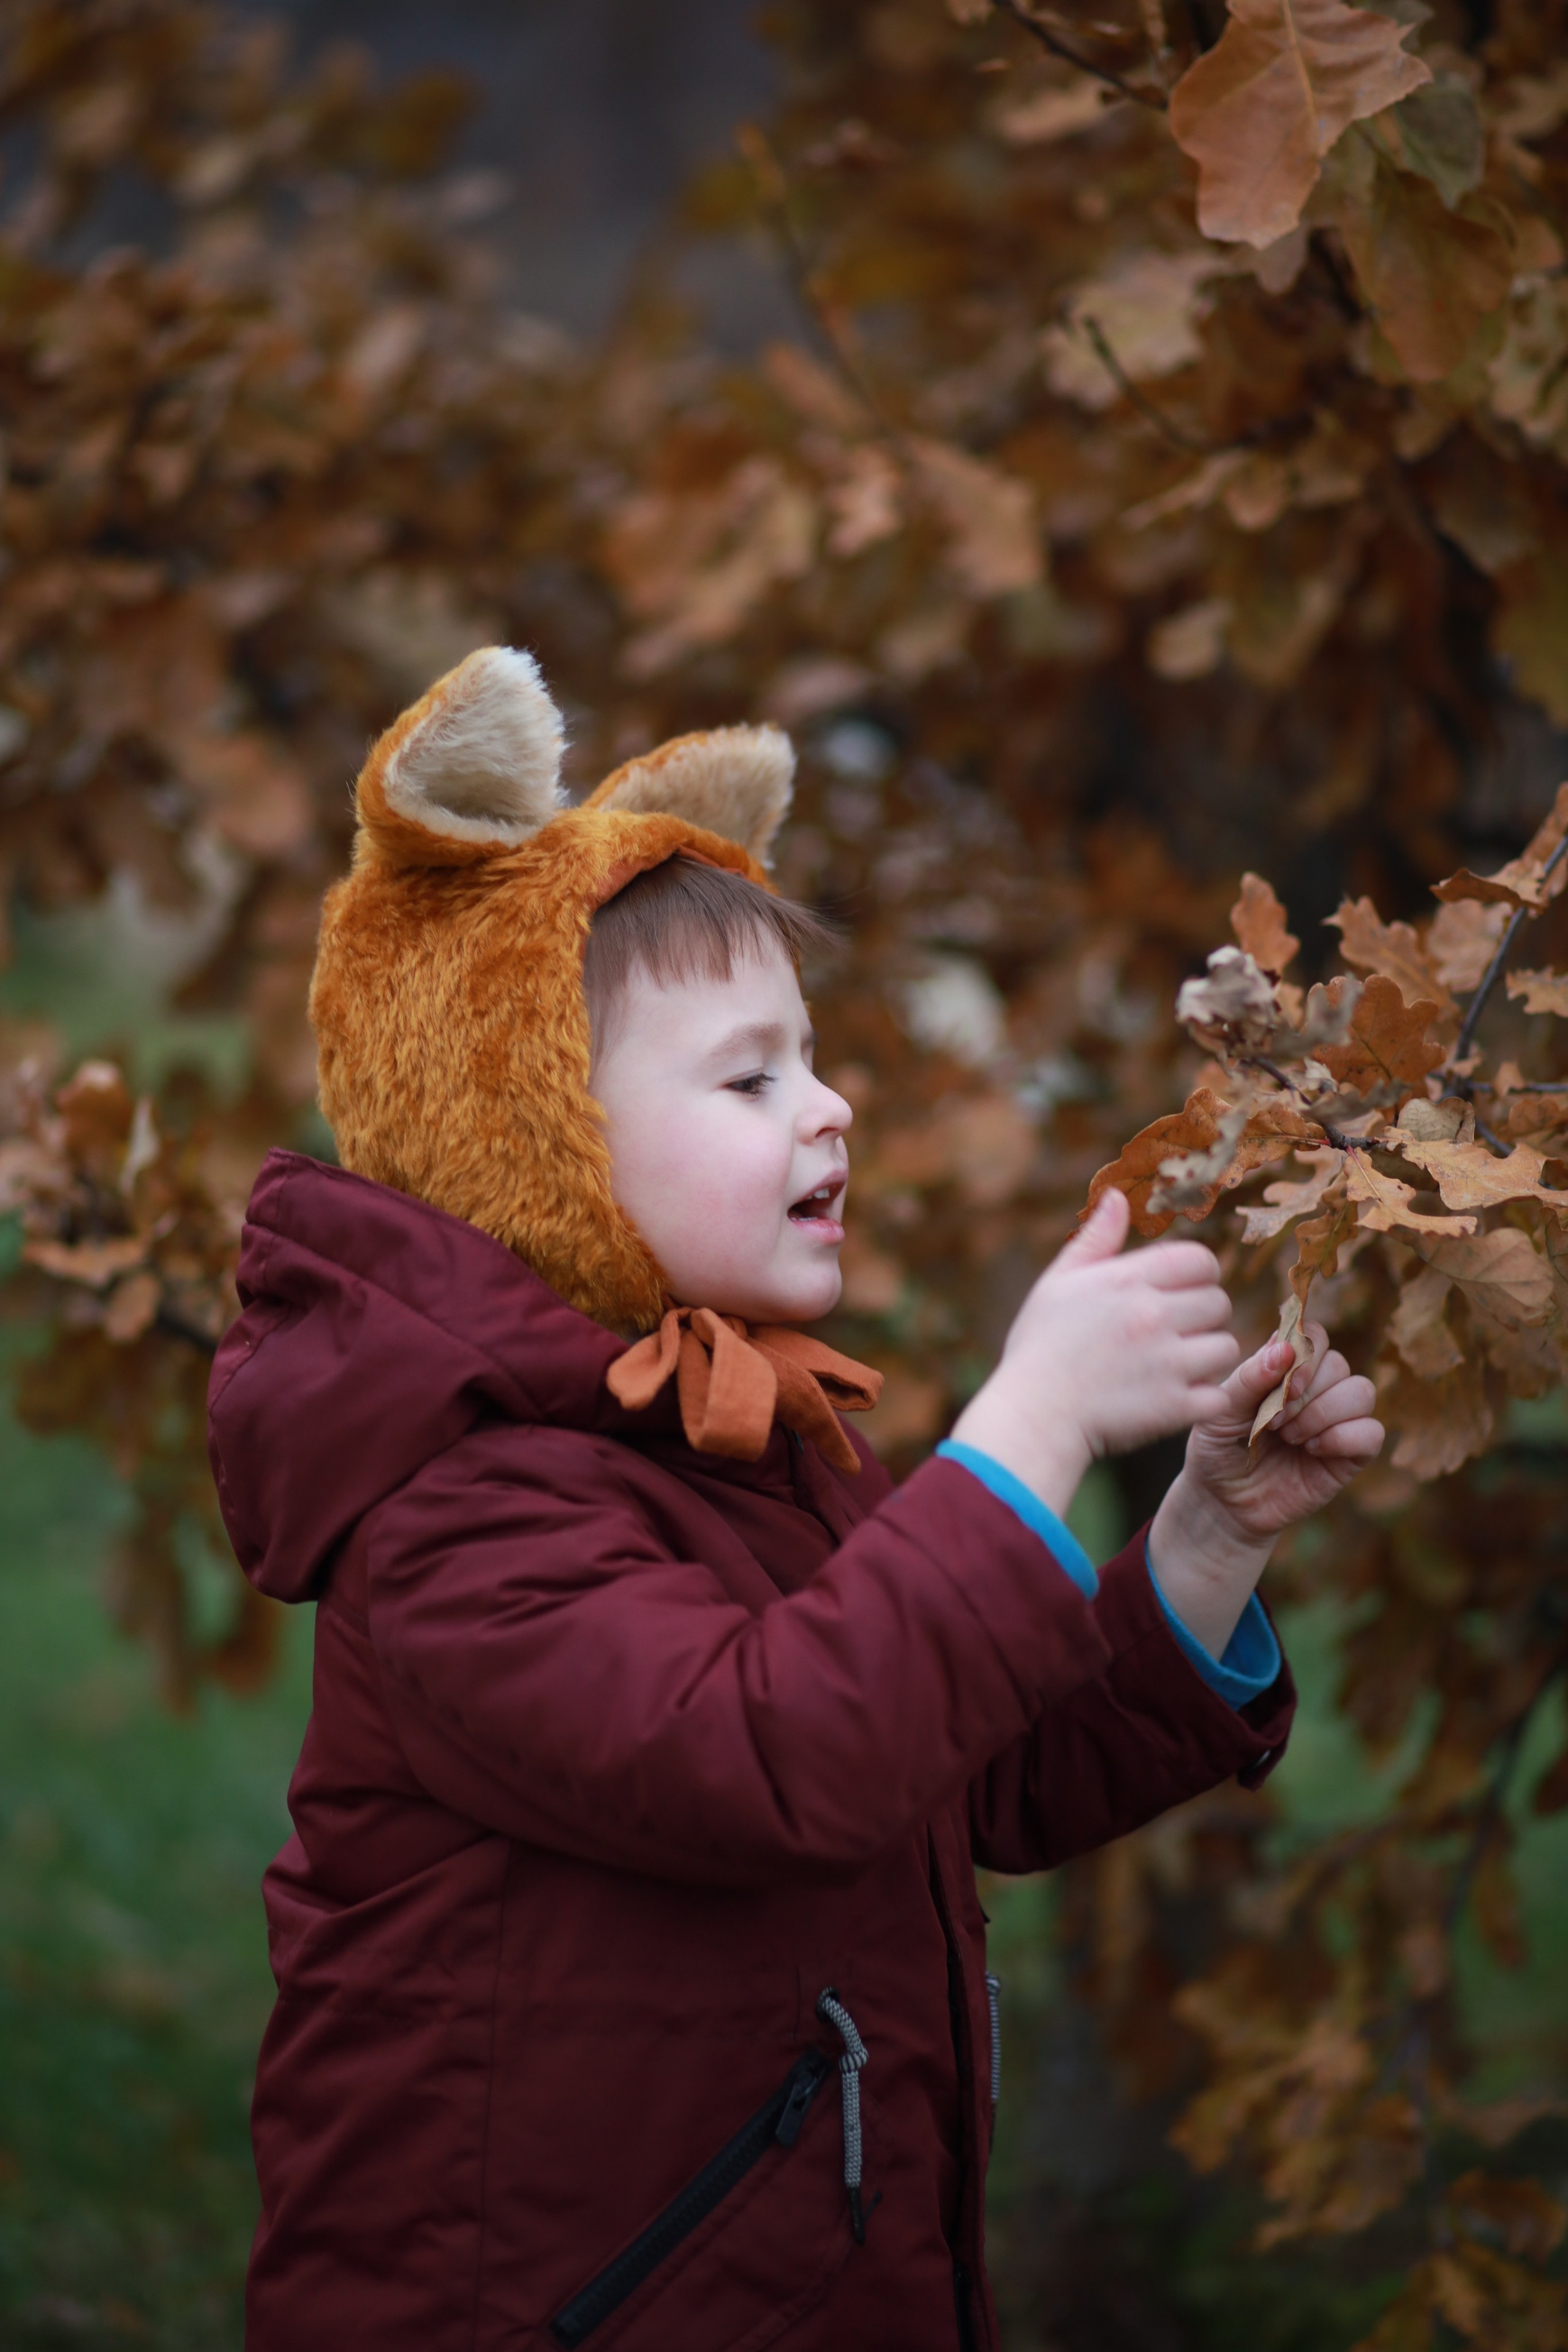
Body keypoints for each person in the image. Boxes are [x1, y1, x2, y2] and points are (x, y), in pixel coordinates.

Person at [209, 647, 1382, 2352]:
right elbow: (772, 1756)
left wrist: (1204, 1538)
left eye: (813, 1059)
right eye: (750, 1077)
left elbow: (965, 1775)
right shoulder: (456, 1511)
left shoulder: (743, 1430)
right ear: (534, 1137)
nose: (832, 1105)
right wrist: (1032, 1426)